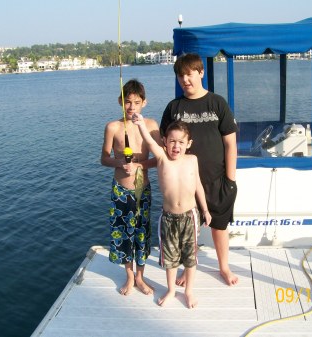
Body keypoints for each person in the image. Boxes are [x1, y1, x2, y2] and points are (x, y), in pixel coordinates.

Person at [160, 53, 239, 286]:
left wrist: (230, 180)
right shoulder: (174, 107)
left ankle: (223, 267)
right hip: (185, 183)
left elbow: (230, 143)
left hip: (217, 179)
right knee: (187, 230)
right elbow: (164, 143)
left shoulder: (217, 103)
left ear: (201, 73)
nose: (185, 79)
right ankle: (187, 269)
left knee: (219, 225)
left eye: (190, 74)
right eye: (180, 75)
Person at [132, 112, 212, 308]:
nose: (176, 146)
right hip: (168, 218)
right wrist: (141, 124)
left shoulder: (192, 160)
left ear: (189, 143)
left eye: (181, 142)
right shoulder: (162, 158)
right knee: (170, 258)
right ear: (165, 142)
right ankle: (171, 290)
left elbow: (198, 186)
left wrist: (206, 210)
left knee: (190, 257)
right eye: (172, 141)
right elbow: (150, 143)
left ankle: (189, 291)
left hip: (190, 216)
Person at [101, 79, 160, 296]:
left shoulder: (152, 126)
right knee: (123, 233)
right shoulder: (113, 127)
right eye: (127, 102)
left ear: (144, 102)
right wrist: (120, 163)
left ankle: (140, 277)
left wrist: (138, 165)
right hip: (120, 190)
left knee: (142, 233)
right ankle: (128, 276)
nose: (131, 107)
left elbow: (159, 158)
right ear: (120, 102)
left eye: (136, 102)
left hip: (142, 189)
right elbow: (104, 158)